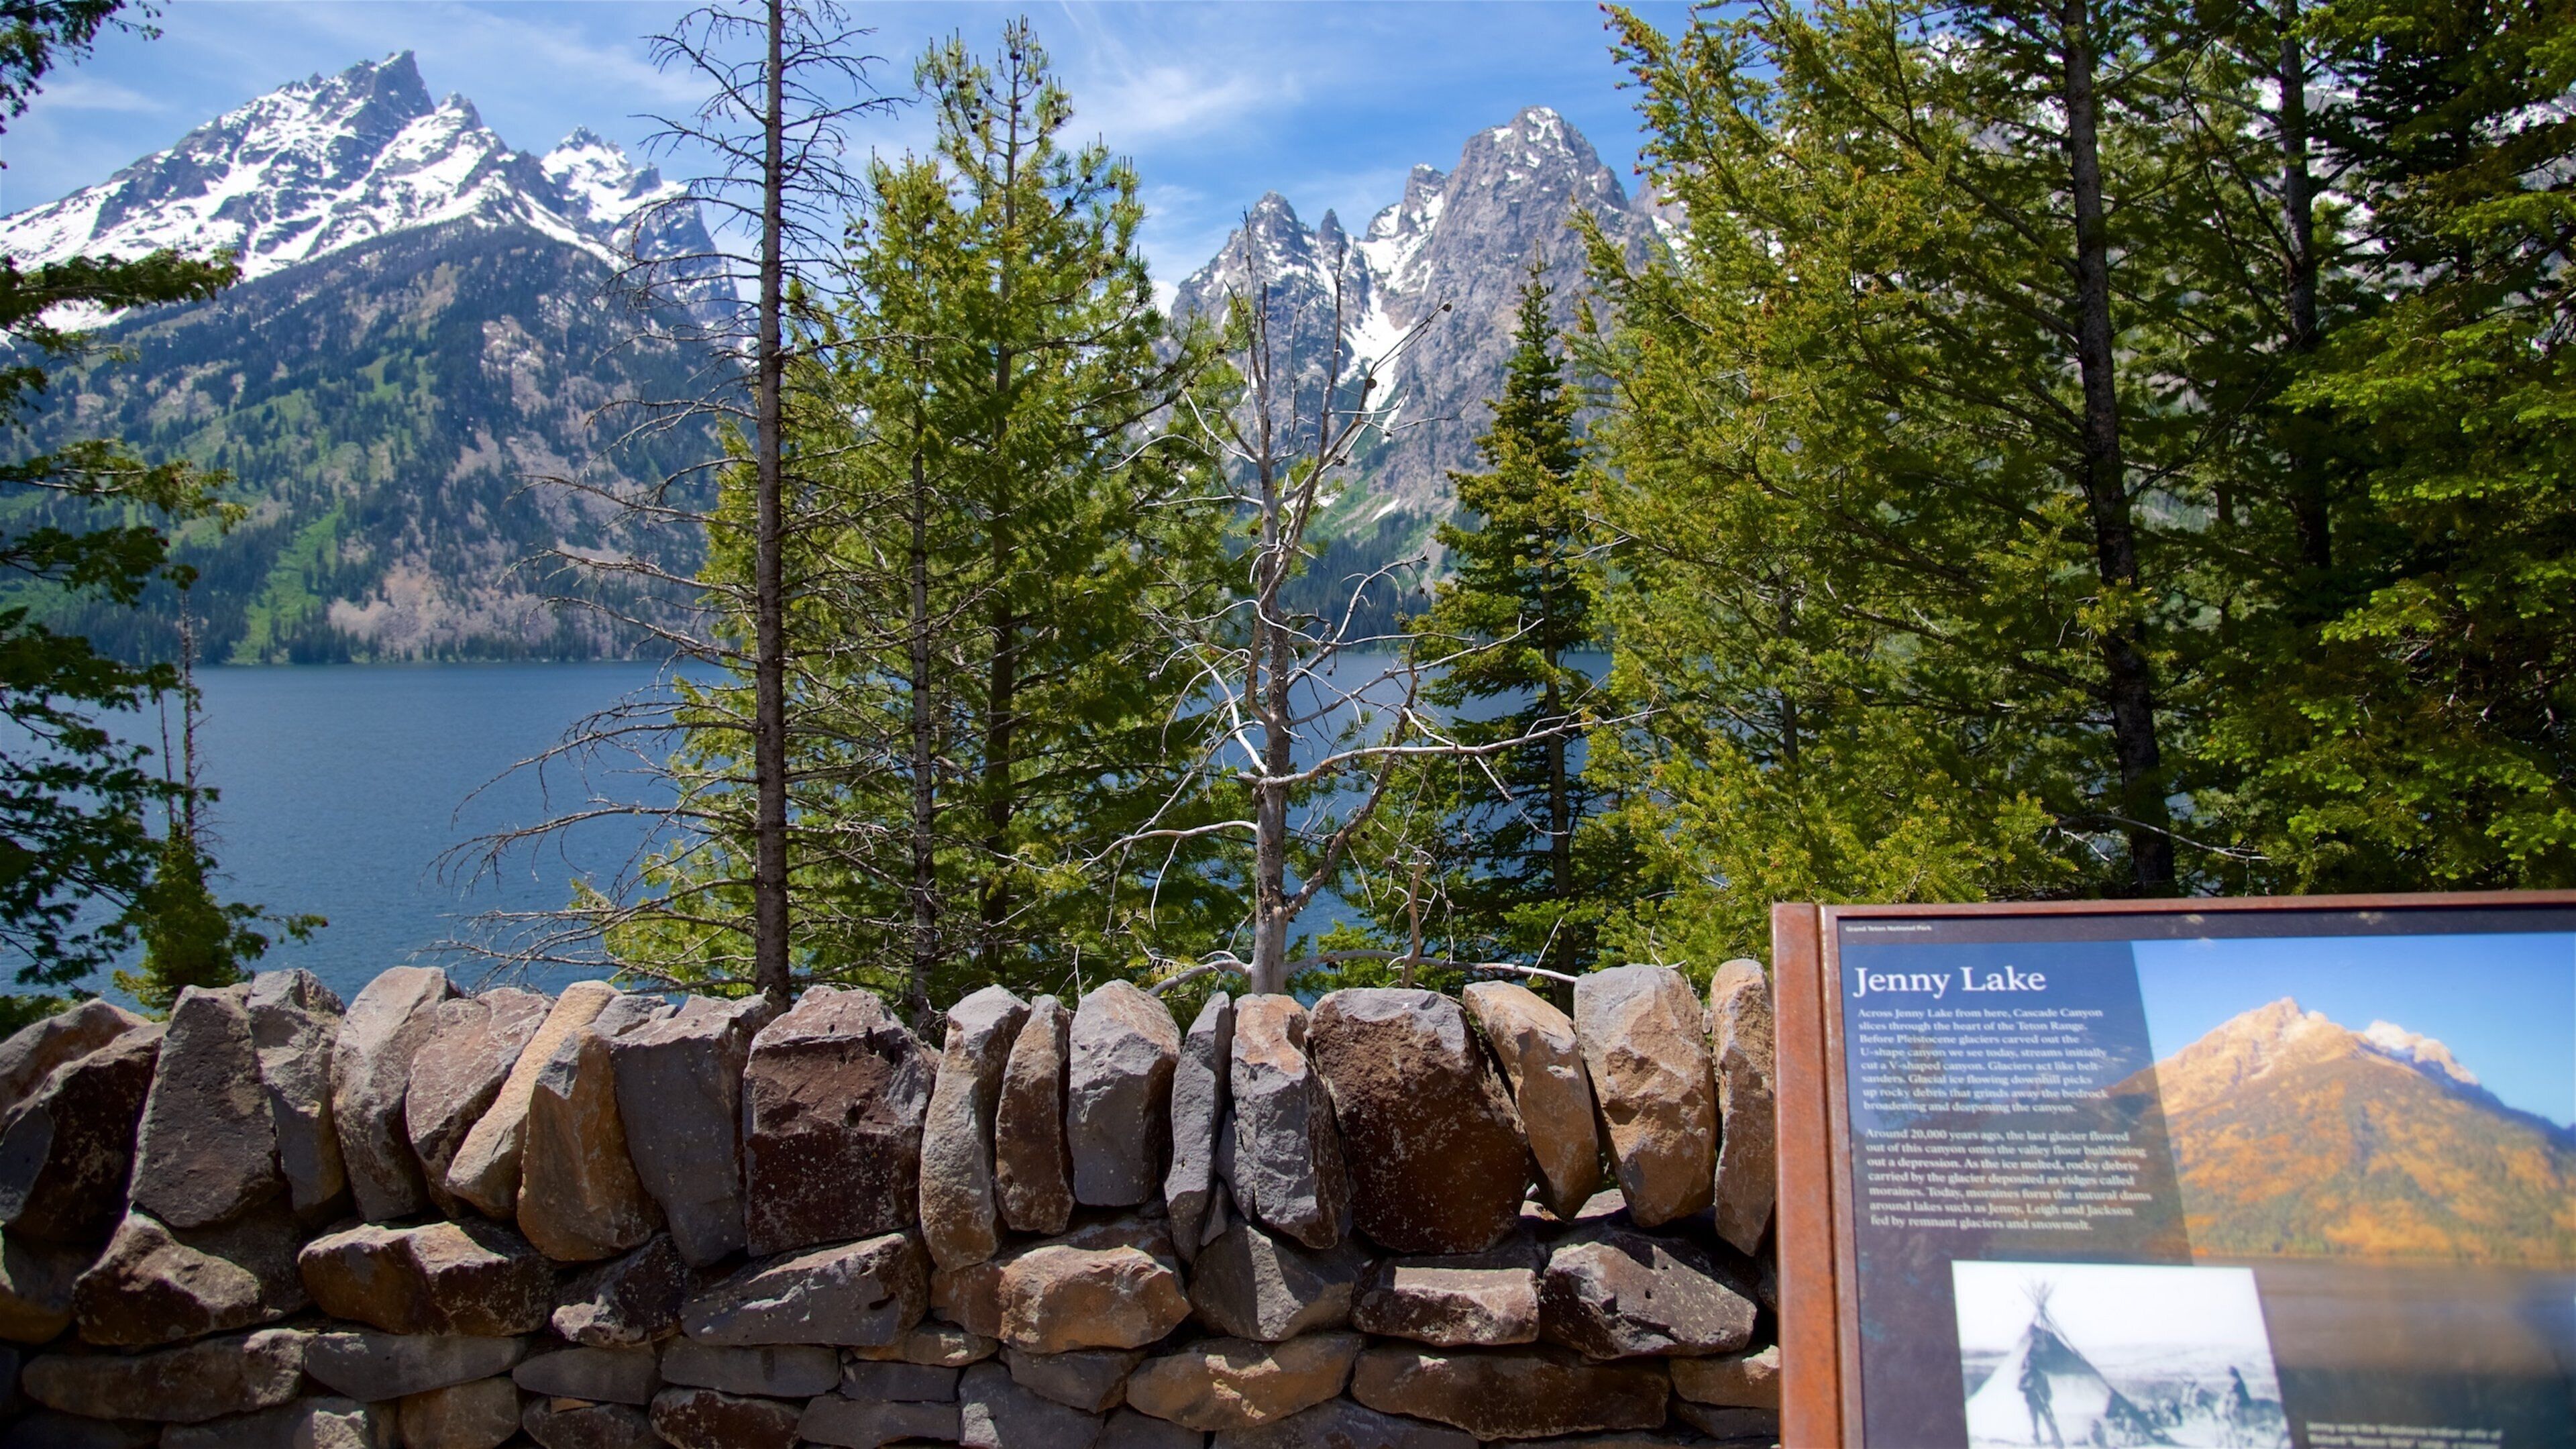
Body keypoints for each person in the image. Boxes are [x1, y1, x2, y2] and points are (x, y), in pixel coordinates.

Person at [2021, 1351, 2064, 1448]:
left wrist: (2047, 1398)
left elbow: (2047, 1388)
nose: (2030, 1364)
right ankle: (2037, 1442)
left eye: (2032, 1362)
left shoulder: (2041, 1375)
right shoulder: (2025, 1375)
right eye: (2029, 1362)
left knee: (2049, 1421)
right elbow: (2020, 1387)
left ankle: (2057, 1441)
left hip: (2042, 1402)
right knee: (2034, 1423)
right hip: (2032, 1401)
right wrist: (2027, 1386)